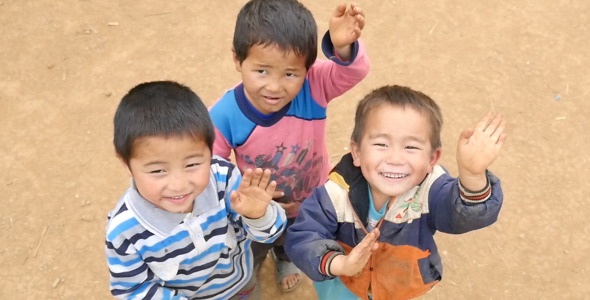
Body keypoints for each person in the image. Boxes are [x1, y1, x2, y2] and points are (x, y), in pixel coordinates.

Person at [285, 85, 507, 300]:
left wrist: (472, 175)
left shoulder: (431, 190)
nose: (395, 159)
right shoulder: (334, 194)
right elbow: (302, 238)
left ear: (432, 159)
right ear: (357, 152)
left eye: (411, 147)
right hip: (343, 284)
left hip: (400, 284)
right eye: (381, 144)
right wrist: (340, 264)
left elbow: (464, 216)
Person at [208, 0, 370, 293]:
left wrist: (342, 48)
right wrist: (243, 199)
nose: (274, 86)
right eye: (262, 71)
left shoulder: (314, 86)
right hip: (261, 207)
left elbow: (352, 72)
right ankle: (248, 273)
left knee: (298, 237)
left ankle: (287, 258)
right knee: (258, 243)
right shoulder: (223, 115)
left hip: (313, 197)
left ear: (307, 68)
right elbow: (210, 170)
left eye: (290, 74)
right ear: (237, 59)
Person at [105, 81, 286, 299]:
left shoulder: (223, 178)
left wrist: (257, 215)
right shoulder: (124, 232)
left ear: (210, 150)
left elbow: (270, 233)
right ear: (125, 163)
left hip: (240, 284)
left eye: (192, 165)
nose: (179, 184)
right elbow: (132, 290)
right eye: (158, 170)